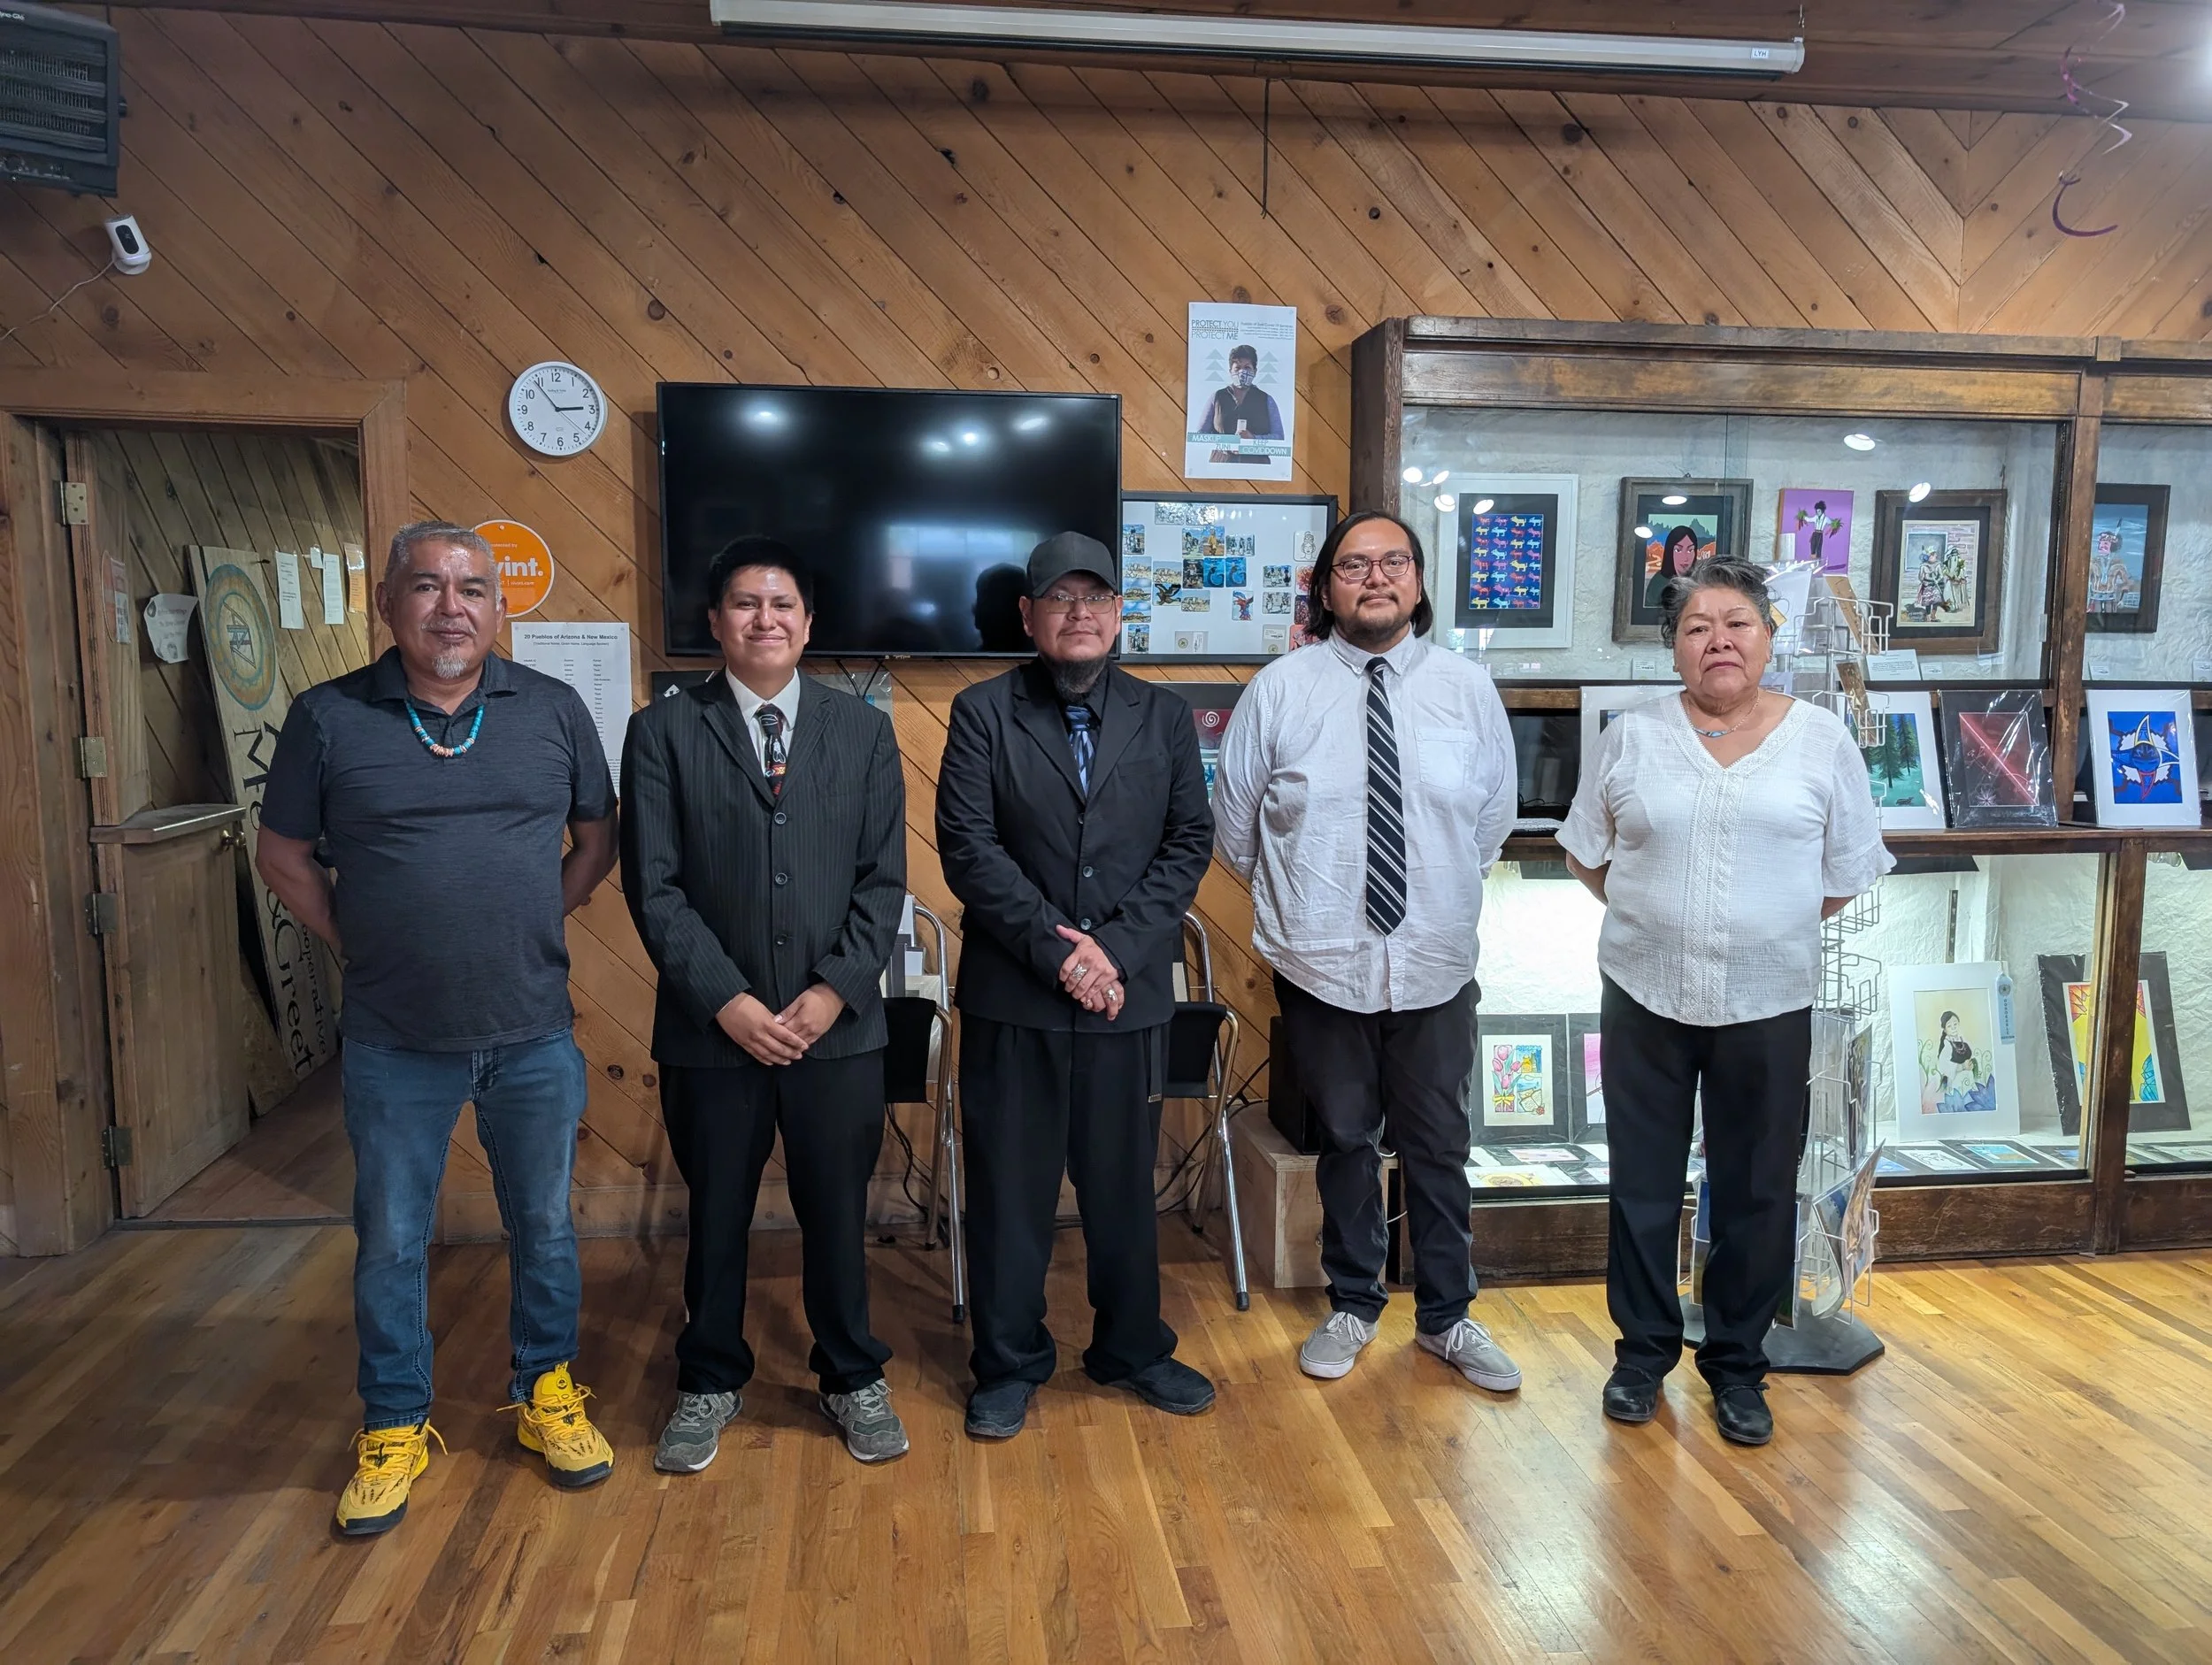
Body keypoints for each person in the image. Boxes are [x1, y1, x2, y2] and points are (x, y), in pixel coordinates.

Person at [256, 520, 619, 1537]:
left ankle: (547, 1392)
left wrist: (541, 915)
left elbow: (599, 836)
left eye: (472, 588)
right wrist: (354, 938)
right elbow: (282, 855)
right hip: (391, 1038)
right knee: (391, 1240)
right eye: (427, 587)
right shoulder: (327, 718)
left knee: (543, 1227)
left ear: (499, 607)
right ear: (389, 604)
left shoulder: (550, 709)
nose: (451, 606)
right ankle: (394, 1422)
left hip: (531, 1030)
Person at [1559, 558, 1891, 1447]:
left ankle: (1739, 1365)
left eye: (1736, 623)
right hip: (1644, 994)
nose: (1718, 640)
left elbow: (1844, 873)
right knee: (1642, 1185)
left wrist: (1758, 925)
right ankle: (1639, 1356)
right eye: (1697, 625)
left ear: (1768, 640)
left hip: (1768, 1000)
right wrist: (1659, 919)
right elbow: (1588, 853)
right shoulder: (1630, 738)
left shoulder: (1821, 740)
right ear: (1672, 647)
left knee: (1754, 1190)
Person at [1212, 510, 1522, 1393]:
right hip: (1320, 962)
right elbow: (1235, 829)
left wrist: (1435, 893)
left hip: (1433, 960)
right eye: (1354, 564)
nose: (1374, 577)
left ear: (1418, 582)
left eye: (1393, 561)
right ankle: (1352, 1302)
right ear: (1325, 586)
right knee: (1344, 1141)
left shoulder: (1465, 689)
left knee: (1439, 1144)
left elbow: (1488, 823)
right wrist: (1302, 901)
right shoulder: (1280, 688)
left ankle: (1448, 1318)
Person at [620, 537, 909, 1474]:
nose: (765, 619)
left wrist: (831, 992)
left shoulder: (861, 730)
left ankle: (850, 1371)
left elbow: (882, 883)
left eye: (782, 604)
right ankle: (708, 1378)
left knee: (836, 1212)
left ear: (809, 623)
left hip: (840, 1032)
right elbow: (654, 888)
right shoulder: (662, 731)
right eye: (745, 603)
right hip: (714, 1037)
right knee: (716, 1217)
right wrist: (729, 1002)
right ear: (715, 622)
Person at [935, 530, 1217, 1439]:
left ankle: (1131, 1346)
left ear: (1119, 612)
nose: (1080, 612)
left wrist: (1114, 952)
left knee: (1123, 1187)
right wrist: (1061, 954)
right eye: (1061, 598)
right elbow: (970, 851)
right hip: (1015, 997)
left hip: (1125, 996)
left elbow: (1186, 844)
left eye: (1096, 596)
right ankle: (1008, 1361)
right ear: (1030, 616)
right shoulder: (982, 712)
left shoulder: (1163, 717)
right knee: (1009, 1192)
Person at [1197, 343, 1283, 465]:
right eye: (1237, 368)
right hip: (1220, 467)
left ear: (1255, 371)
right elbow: (1201, 435)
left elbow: (1279, 437)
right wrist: (1226, 443)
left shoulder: (1267, 400)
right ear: (1230, 371)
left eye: (1247, 367)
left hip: (1257, 468)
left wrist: (1254, 439)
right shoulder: (1217, 398)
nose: (1242, 372)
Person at [1643, 524, 1701, 610]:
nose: (1685, 558)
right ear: (1670, 552)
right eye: (1678, 550)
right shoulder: (1658, 583)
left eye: (1690, 550)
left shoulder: (1700, 581)